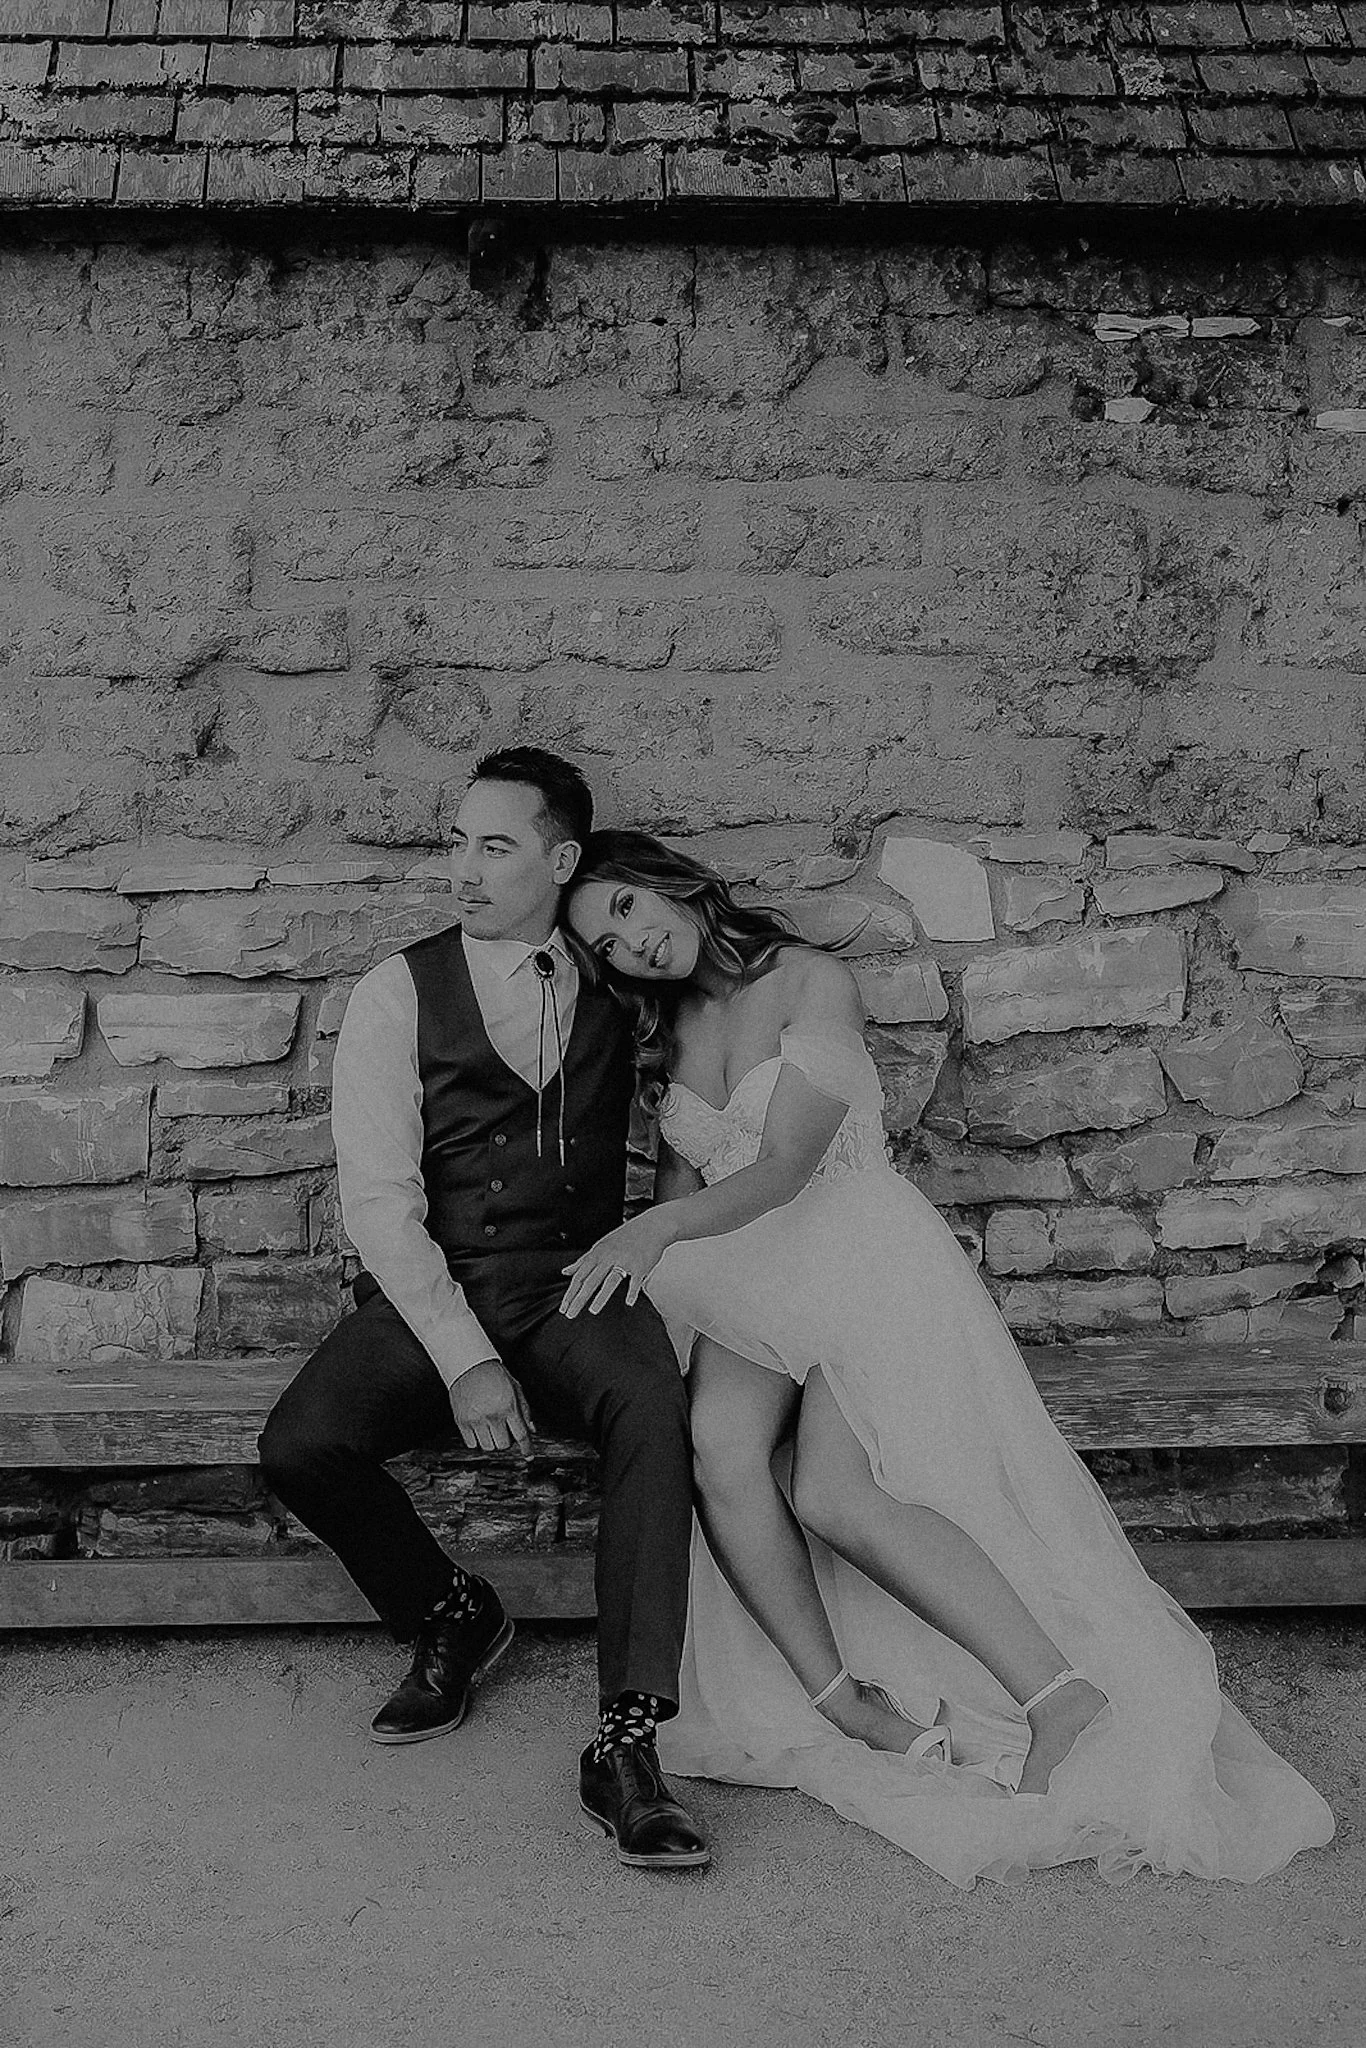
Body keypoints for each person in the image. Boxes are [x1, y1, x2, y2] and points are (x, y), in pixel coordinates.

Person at [563, 829, 1335, 1889]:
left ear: (671, 884)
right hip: (751, 1274)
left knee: (833, 1491)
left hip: (856, 1250)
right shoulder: (678, 1027)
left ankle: (1059, 1694)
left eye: (625, 907)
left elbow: (786, 1164)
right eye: (604, 939)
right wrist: (643, 1304)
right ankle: (842, 1699)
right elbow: (681, 1202)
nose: (629, 941)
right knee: (715, 1444)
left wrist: (654, 1235)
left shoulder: (810, 980)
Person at [259, 753, 709, 1871]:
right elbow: (376, 1201)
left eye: (493, 845)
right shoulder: (396, 991)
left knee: (655, 1404)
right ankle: (454, 1610)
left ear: (561, 860)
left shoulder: (623, 981)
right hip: (438, 1284)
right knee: (302, 1443)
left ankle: (627, 1738)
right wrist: (463, 1356)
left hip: (577, 1281)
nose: (461, 868)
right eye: (456, 841)